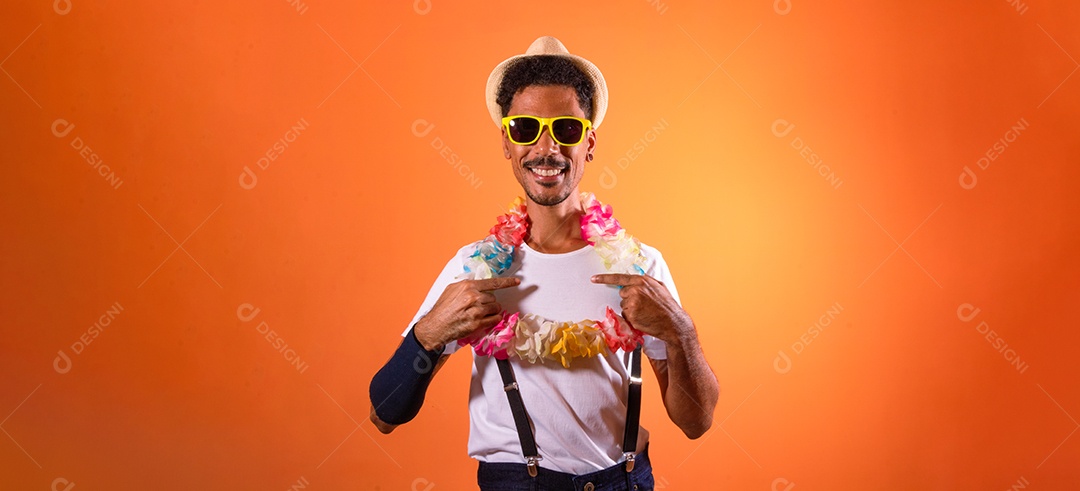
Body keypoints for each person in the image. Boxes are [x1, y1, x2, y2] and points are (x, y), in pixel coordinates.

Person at [368, 36, 719, 491]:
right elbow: (384, 414)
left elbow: (696, 422)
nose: (546, 148)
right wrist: (429, 333)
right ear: (507, 144)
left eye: (567, 130)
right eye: (525, 129)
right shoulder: (475, 268)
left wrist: (680, 331)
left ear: (589, 142)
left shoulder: (639, 266)